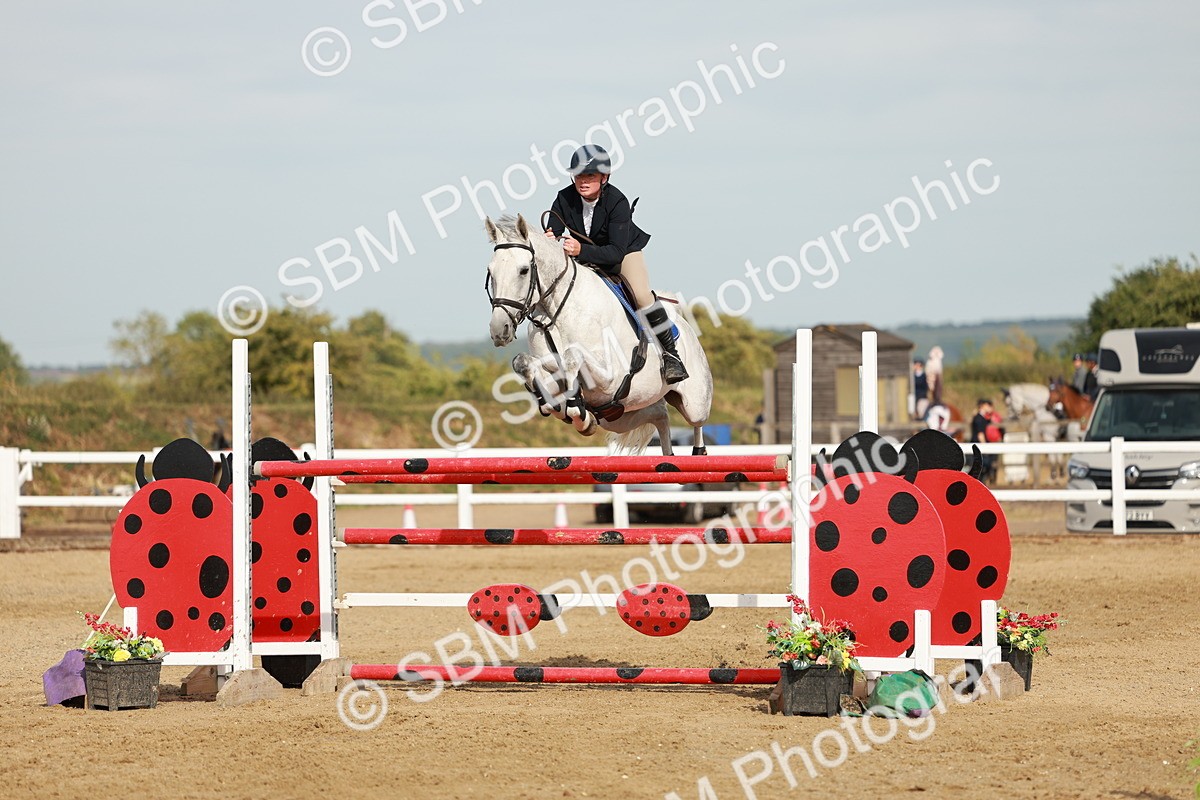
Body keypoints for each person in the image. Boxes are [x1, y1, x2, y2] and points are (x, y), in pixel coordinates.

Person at [544, 144, 687, 384]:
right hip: (584, 257)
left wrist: (580, 250)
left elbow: (615, 253)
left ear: (604, 177)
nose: (582, 181)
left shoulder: (617, 201)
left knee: (641, 295)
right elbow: (553, 233)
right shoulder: (564, 198)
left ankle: (672, 356)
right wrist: (548, 241)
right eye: (578, 175)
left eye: (589, 175)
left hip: (622, 254)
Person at [971, 398, 997, 482]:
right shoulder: (979, 418)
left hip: (979, 445)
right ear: (983, 406)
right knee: (985, 466)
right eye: (987, 405)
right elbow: (980, 434)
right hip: (979, 445)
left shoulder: (981, 418)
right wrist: (985, 447)